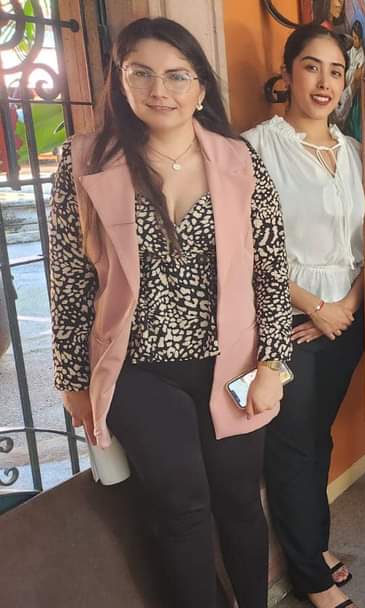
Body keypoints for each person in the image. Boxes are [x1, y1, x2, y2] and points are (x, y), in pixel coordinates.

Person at [47, 17, 292, 608]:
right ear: (119, 80)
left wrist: (273, 365)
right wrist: (72, 382)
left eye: (177, 75)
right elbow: (70, 282)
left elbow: (271, 271)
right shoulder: (84, 162)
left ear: (201, 87)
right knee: (182, 508)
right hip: (136, 370)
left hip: (232, 363)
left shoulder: (240, 161)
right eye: (142, 73)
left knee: (239, 501)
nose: (160, 90)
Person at [243, 23, 363, 608]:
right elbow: (246, 248)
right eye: (312, 66)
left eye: (336, 71)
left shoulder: (357, 152)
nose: (324, 82)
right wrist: (315, 306)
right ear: (288, 72)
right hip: (285, 322)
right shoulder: (254, 148)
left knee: (317, 437)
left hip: (347, 322)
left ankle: (312, 545)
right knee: (291, 446)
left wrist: (345, 308)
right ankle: (311, 577)